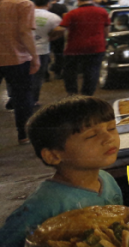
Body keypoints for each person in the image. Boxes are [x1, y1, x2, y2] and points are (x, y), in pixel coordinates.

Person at [0, 97, 122, 247]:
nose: (109, 138)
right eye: (91, 135)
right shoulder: (44, 206)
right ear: (53, 156)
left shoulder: (106, 179)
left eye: (111, 128)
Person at [1, 0, 39, 144]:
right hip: (17, 58)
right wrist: (35, 57)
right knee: (22, 96)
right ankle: (23, 134)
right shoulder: (24, 4)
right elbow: (25, 33)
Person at [59, 0, 110, 97]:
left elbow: (62, 28)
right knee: (92, 71)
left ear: (78, 0)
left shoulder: (72, 13)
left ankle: (72, 93)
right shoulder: (102, 12)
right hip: (96, 46)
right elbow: (106, 29)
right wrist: (104, 39)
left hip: (74, 47)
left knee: (70, 71)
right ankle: (87, 94)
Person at [31, 0, 63, 107]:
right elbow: (60, 30)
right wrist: (51, 38)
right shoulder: (53, 17)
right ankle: (34, 100)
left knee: (21, 75)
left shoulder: (26, 14)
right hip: (42, 50)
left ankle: (17, 98)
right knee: (37, 77)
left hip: (23, 50)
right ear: (48, 4)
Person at [47, 0, 69, 79]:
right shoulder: (62, 7)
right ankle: (58, 72)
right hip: (59, 32)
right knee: (58, 53)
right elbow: (65, 19)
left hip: (44, 32)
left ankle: (45, 73)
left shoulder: (44, 7)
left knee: (45, 52)